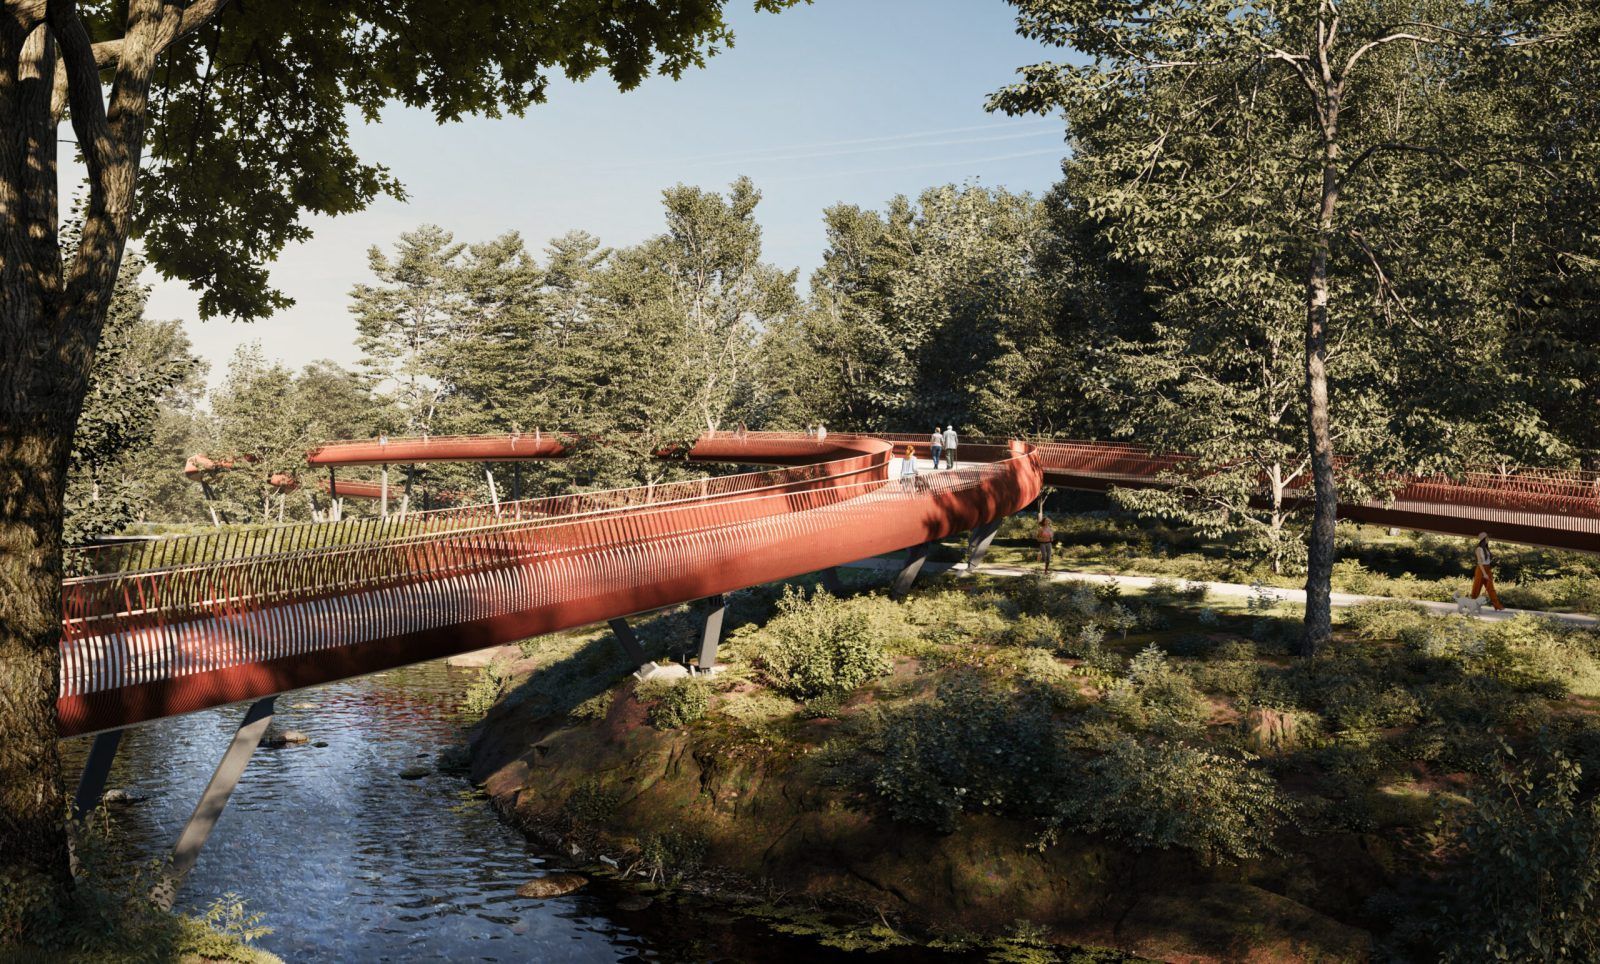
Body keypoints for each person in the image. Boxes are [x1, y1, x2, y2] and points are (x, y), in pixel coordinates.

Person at [1471, 532, 1505, 611]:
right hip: (1480, 569)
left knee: (1491, 588)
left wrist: (1488, 572)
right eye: (1487, 538)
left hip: (1487, 568)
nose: (1488, 539)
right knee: (1477, 588)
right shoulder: (1478, 549)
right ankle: (1472, 604)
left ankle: (1497, 605)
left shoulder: (1486, 548)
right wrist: (1484, 573)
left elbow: (1488, 560)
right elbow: (1479, 562)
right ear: (1483, 539)